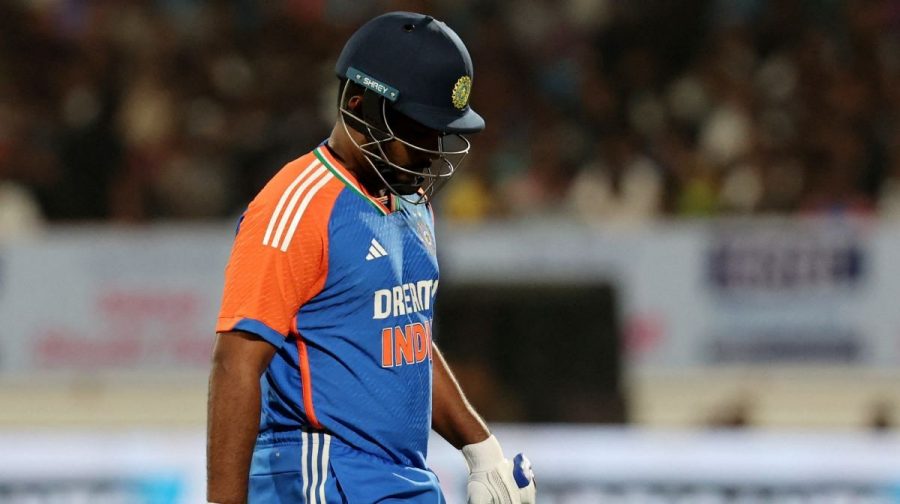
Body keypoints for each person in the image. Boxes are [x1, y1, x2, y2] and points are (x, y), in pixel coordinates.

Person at [207, 11, 537, 504]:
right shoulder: (295, 206)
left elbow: (406, 336)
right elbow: (236, 364)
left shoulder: (410, 198)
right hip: (320, 475)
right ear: (359, 106)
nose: (432, 149)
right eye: (420, 128)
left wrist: (481, 448)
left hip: (400, 476)